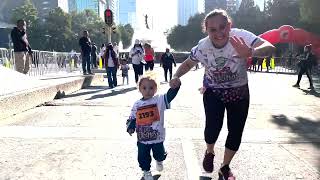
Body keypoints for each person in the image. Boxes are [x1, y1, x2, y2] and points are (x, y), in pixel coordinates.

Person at [169, 9, 275, 179]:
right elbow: (188, 63)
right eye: (213, 30)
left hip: (239, 92)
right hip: (213, 93)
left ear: (230, 26)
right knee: (212, 128)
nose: (219, 33)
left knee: (235, 131)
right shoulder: (203, 46)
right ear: (206, 30)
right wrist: (175, 76)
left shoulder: (241, 36)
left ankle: (225, 167)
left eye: (223, 27)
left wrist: (250, 52)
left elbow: (269, 47)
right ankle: (209, 151)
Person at [126, 71, 180, 180]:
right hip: (143, 138)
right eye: (144, 88)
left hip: (157, 137)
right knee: (143, 157)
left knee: (159, 154)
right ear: (139, 89)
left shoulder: (159, 100)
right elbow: (132, 117)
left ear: (156, 88)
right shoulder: (137, 104)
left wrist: (175, 87)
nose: (148, 91)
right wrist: (131, 127)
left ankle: (159, 160)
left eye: (151, 88)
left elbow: (170, 96)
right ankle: (146, 171)